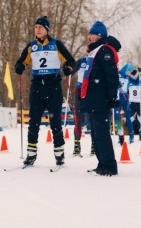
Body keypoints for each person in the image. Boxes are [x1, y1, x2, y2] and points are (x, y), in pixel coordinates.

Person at [15, 15, 76, 167]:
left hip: (53, 86)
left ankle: (59, 154)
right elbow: (21, 61)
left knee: (55, 122)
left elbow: (71, 61)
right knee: (33, 122)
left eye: (40, 27)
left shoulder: (56, 44)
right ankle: (31, 155)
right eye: (36, 27)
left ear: (47, 29)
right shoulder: (31, 46)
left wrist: (68, 68)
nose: (38, 30)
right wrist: (20, 67)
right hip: (37, 88)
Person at [79, 20, 121, 176]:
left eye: (91, 34)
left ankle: (110, 165)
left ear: (98, 36)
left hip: (100, 99)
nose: (88, 37)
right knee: (95, 134)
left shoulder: (105, 51)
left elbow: (112, 76)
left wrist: (112, 96)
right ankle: (101, 163)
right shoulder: (95, 51)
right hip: (93, 98)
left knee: (102, 133)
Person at [126, 68, 141, 139]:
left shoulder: (140, 82)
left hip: (139, 102)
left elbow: (137, 76)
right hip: (132, 101)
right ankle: (131, 131)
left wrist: (135, 71)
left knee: (140, 117)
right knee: (131, 117)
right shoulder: (130, 82)